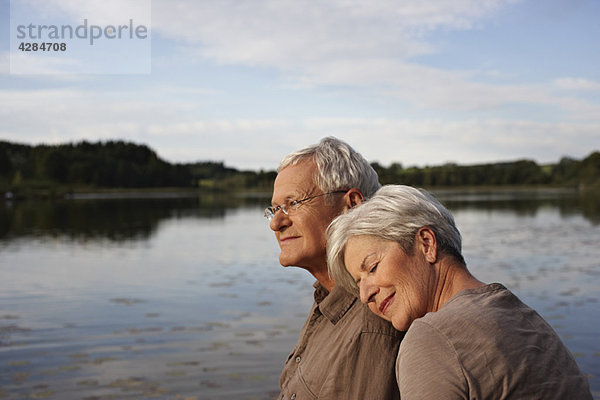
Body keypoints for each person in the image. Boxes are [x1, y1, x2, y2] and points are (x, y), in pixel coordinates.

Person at [327, 185, 592, 400]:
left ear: (427, 244)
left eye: (372, 268)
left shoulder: (432, 337)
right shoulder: (524, 315)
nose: (364, 295)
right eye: (358, 281)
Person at [265, 137, 403, 399]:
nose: (276, 223)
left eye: (292, 204)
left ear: (351, 204)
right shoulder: (327, 296)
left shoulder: (372, 322)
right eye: (274, 209)